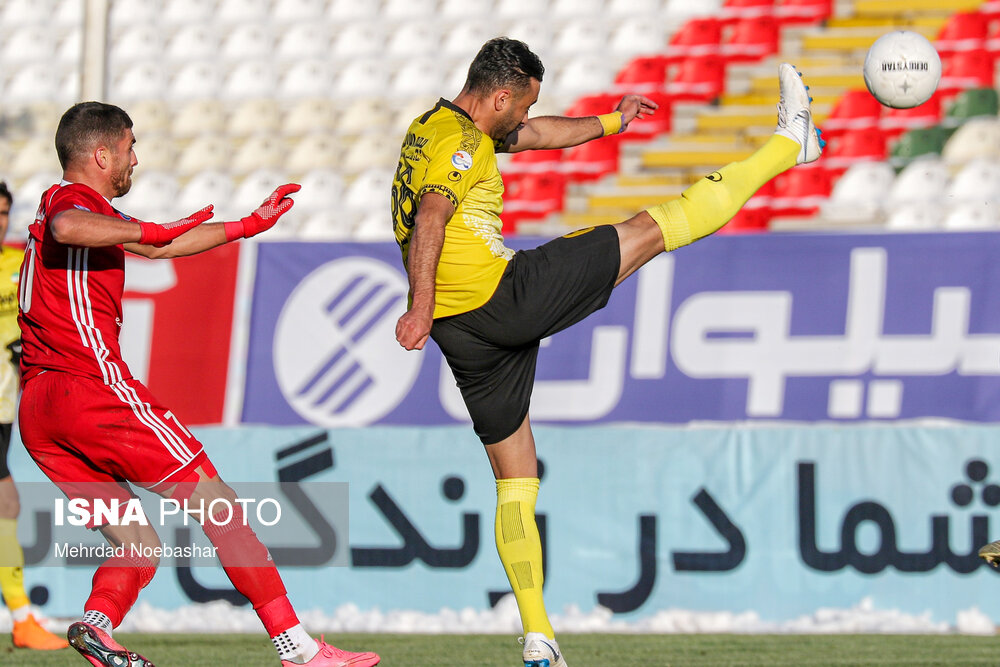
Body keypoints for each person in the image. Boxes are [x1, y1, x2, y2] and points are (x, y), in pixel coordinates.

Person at [390, 37, 822, 667]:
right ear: (502, 94)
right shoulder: (463, 146)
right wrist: (418, 307)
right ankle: (790, 144)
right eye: (524, 104)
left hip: (467, 334)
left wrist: (613, 121)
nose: (526, 117)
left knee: (516, 482)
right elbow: (432, 216)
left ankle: (539, 638)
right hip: (503, 298)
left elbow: (533, 137)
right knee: (653, 229)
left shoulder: (436, 127)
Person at [16, 102, 380, 667]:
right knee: (221, 507)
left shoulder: (87, 221)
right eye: (130, 146)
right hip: (88, 389)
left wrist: (245, 225)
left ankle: (97, 625)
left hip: (40, 411)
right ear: (101, 154)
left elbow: (162, 244)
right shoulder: (72, 203)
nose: (136, 158)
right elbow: (76, 225)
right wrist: (150, 227)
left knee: (139, 545)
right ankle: (298, 649)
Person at [0, 182, 70, 651]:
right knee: (6, 504)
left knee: (7, 505)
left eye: (4, 211)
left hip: (6, 405)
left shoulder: (18, 266)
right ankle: (22, 617)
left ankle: (23, 618)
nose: (0, 220)